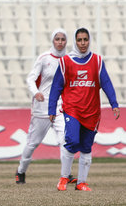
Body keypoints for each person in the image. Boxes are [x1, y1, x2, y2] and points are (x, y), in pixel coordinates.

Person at [48, 27, 120, 192]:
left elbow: (106, 83)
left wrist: (114, 103)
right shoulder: (66, 62)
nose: (82, 43)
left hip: (92, 112)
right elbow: (56, 87)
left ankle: (81, 182)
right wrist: (51, 109)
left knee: (86, 146)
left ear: (89, 41)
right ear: (75, 41)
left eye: (85, 40)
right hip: (72, 110)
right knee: (72, 140)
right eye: (79, 40)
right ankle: (64, 177)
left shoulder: (97, 61)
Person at [15, 28, 75, 184]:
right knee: (32, 143)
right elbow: (30, 79)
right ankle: (21, 171)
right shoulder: (44, 58)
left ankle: (66, 174)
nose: (60, 42)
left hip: (60, 107)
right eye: (57, 39)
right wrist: (36, 92)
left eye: (63, 39)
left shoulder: (69, 60)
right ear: (52, 41)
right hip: (42, 107)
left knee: (64, 141)